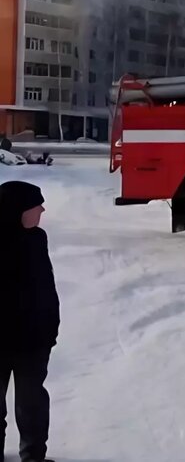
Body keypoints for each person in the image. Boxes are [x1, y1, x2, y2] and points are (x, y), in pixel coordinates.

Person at [0, 181, 58, 462]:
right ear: (18, 209)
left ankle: (33, 456)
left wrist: (50, 327)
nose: (42, 209)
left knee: (32, 403)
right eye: (37, 205)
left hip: (33, 340)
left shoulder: (37, 238)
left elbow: (46, 287)